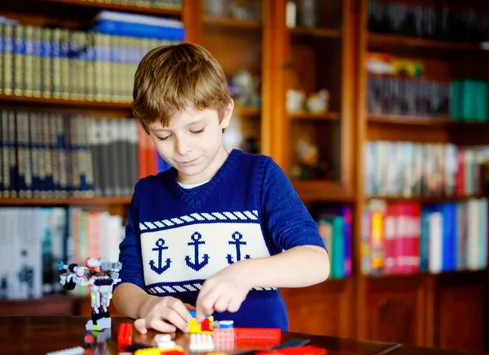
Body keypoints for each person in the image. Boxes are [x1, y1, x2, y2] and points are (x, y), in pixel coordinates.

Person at [112, 42, 330, 335]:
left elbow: (316, 261)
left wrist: (246, 272)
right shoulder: (147, 195)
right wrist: (144, 306)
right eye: (164, 135)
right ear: (147, 129)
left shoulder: (259, 176)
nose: (182, 148)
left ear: (225, 113)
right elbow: (125, 285)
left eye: (196, 130)